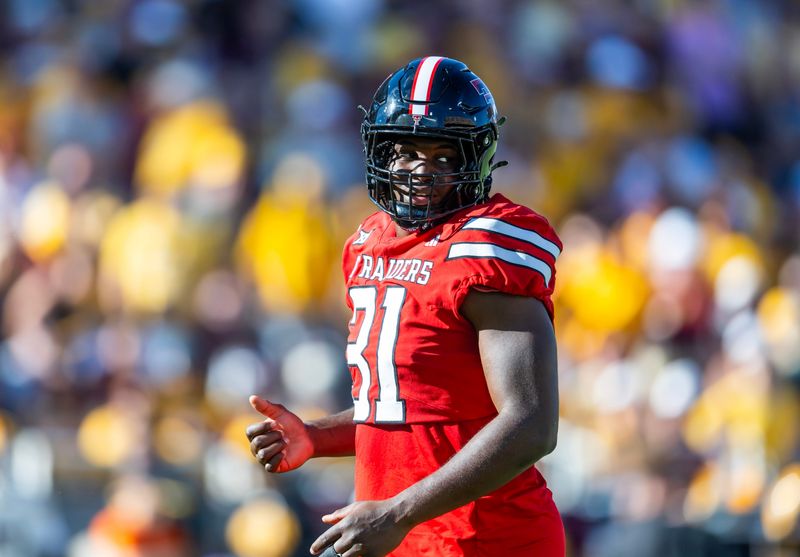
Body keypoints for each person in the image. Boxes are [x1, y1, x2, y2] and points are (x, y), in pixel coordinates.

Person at [246, 56, 564, 557]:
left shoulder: (485, 248)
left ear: (475, 160)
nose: (420, 172)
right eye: (406, 152)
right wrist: (315, 436)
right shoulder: (369, 244)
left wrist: (398, 511)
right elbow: (408, 408)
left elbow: (531, 423)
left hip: (483, 539)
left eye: (444, 157)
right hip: (400, 535)